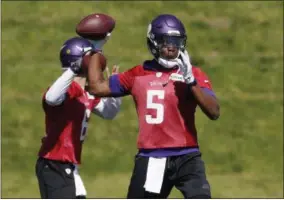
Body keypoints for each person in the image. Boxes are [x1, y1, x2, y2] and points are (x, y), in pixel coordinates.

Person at [86, 14, 220, 198]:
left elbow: (214, 112)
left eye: (176, 41)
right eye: (166, 42)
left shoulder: (193, 73)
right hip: (152, 156)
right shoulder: (138, 74)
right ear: (153, 43)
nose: (172, 47)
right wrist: (96, 48)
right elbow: (96, 87)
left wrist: (191, 82)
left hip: (187, 156)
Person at [35, 36, 121, 199]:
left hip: (69, 166)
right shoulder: (66, 91)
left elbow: (110, 113)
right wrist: (74, 68)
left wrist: (114, 90)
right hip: (54, 165)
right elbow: (51, 98)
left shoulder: (85, 93)